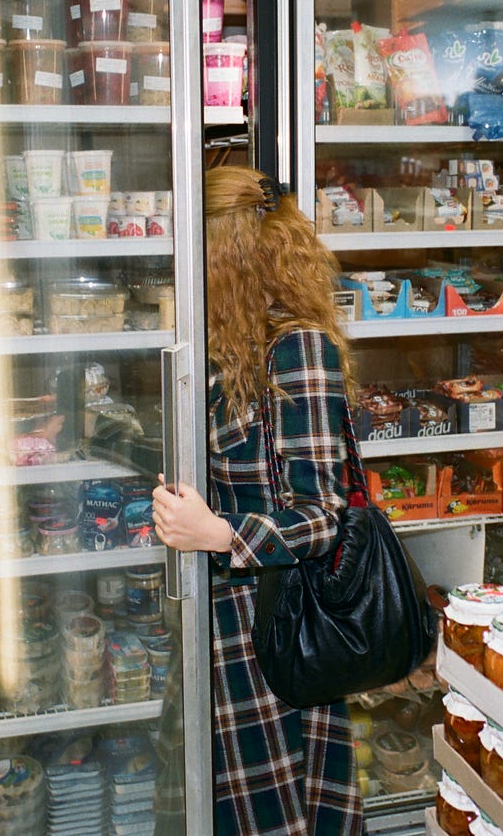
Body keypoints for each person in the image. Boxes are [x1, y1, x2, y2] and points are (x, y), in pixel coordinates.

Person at [151, 165, 363, 835]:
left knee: (273, 815)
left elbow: (322, 516)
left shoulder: (295, 347)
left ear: (224, 254)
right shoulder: (226, 341)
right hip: (219, 627)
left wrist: (217, 534)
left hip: (271, 633)